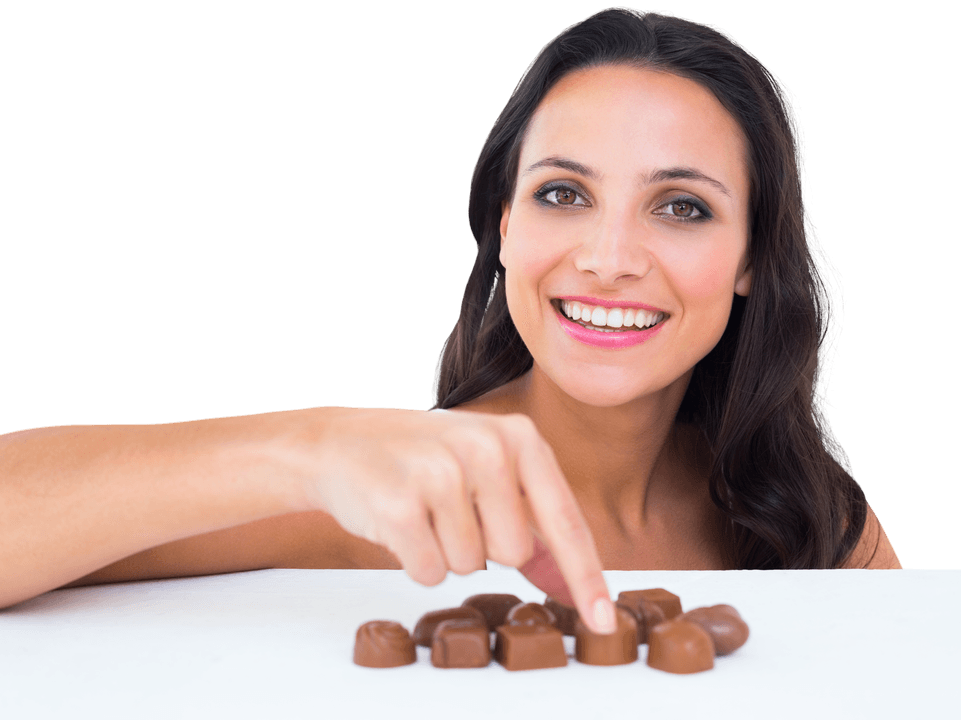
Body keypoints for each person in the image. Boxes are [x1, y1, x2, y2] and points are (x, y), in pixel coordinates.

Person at [0, 8, 901, 624]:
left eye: (682, 207)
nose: (609, 257)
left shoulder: (809, 521)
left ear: (750, 259)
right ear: (506, 227)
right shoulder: (384, 505)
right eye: (563, 193)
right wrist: (312, 450)